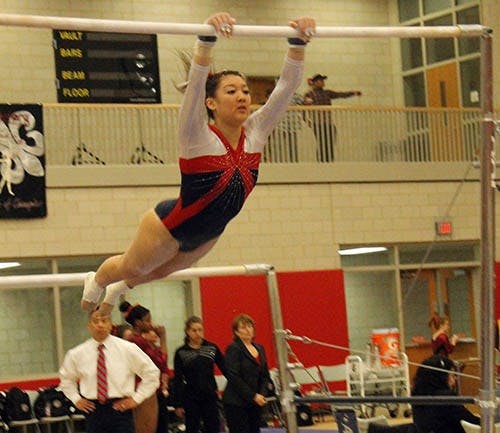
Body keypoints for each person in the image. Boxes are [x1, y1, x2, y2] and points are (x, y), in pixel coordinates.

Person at [81, 12, 316, 317]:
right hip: (170, 225)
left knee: (155, 273)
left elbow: (285, 89)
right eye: (231, 91)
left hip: (210, 233)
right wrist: (205, 42)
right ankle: (99, 278)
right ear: (211, 103)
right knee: (133, 265)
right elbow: (194, 89)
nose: (242, 96)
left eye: (245, 90)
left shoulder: (256, 132)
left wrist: (298, 43)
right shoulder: (196, 136)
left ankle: (117, 289)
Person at [58, 309, 160, 433]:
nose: (100, 325)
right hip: (93, 410)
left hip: (120, 408)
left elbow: (152, 373)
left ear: (111, 324)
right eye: (95, 321)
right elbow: (66, 379)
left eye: (104, 321)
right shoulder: (77, 353)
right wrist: (76, 398)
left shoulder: (128, 349)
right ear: (89, 326)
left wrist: (136, 399)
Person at [120, 301, 170, 433]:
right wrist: (163, 338)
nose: (151, 324)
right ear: (138, 323)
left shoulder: (140, 340)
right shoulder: (137, 341)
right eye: (148, 321)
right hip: (144, 392)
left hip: (148, 391)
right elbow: (161, 362)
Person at [171, 316, 226, 433]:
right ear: (187, 332)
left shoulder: (212, 348)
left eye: (200, 330)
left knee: (213, 427)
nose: (198, 333)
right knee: (192, 428)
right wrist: (178, 404)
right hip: (191, 397)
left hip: (210, 395)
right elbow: (178, 379)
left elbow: (226, 370)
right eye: (194, 330)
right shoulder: (181, 352)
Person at [222, 313, 274, 433]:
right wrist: (253, 396)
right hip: (236, 402)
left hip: (255, 402)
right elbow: (233, 376)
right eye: (244, 327)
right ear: (236, 332)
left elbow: (265, 375)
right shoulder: (234, 348)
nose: (248, 330)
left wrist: (261, 394)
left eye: (250, 326)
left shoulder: (260, 348)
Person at [411, 355, 479, 433]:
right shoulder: (446, 398)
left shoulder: (416, 396)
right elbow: (471, 421)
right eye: (452, 375)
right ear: (443, 377)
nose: (455, 380)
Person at [303, 74, 361, 162]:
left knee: (330, 144)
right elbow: (303, 107)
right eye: (320, 80)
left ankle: (330, 162)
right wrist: (307, 121)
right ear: (315, 82)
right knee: (322, 144)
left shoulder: (327, 92)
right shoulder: (309, 94)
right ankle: (321, 163)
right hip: (318, 123)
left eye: (323, 80)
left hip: (328, 122)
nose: (323, 82)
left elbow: (340, 94)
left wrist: (353, 93)